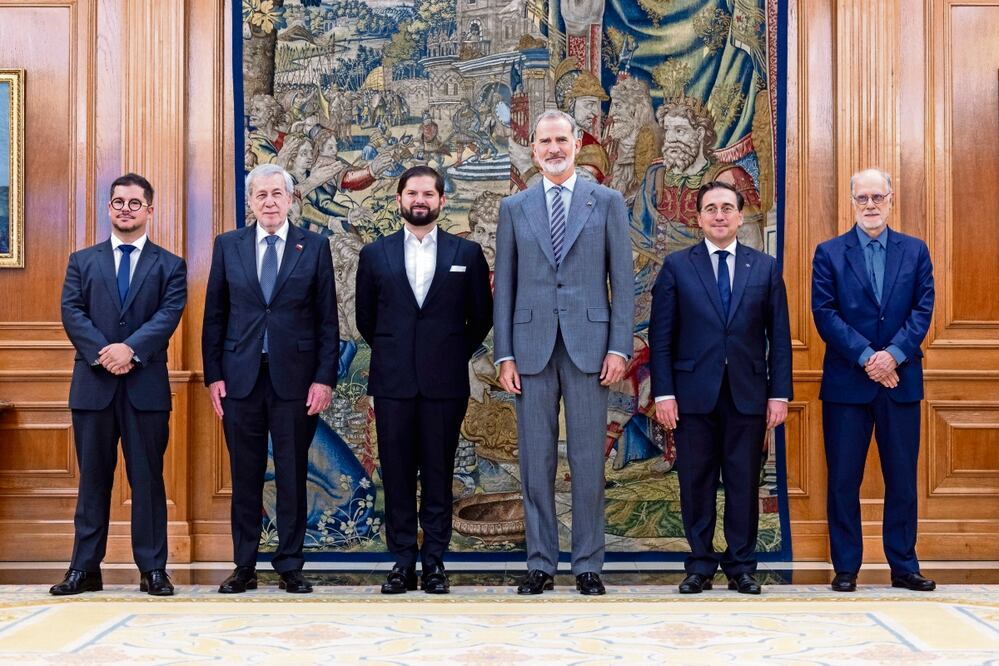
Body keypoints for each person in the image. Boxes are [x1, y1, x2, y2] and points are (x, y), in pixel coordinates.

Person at [493, 110, 634, 596]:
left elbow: (623, 282)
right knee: (536, 462)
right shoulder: (515, 208)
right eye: (545, 141)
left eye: (561, 140)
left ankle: (588, 564)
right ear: (534, 150)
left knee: (588, 460)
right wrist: (504, 355)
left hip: (590, 349)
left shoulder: (607, 202)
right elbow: (504, 287)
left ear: (576, 144)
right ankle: (540, 564)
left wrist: (618, 347)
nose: (553, 149)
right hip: (530, 349)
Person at [649, 180, 792, 595]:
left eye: (727, 207)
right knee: (696, 483)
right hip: (692, 396)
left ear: (740, 216)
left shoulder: (764, 267)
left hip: (748, 395)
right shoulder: (677, 266)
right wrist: (664, 393)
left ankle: (741, 566)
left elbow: (779, 337)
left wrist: (779, 394)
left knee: (743, 483)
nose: (719, 215)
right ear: (698, 218)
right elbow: (661, 337)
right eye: (710, 208)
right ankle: (699, 565)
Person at [202, 163, 339, 594]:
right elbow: (214, 316)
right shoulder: (228, 246)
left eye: (277, 194)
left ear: (290, 199)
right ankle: (244, 565)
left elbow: (327, 320)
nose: (269, 202)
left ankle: (290, 565)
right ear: (250, 202)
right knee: (244, 475)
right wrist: (213, 376)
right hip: (239, 380)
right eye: (261, 195)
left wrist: (324, 379)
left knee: (292, 474)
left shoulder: (313, 246)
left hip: (295, 382)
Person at [355, 166, 492, 594]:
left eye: (428, 194)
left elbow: (481, 318)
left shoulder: (466, 253)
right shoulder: (374, 254)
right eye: (412, 193)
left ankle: (434, 562)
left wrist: (448, 352)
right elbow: (365, 319)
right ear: (399, 199)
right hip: (392, 383)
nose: (420, 200)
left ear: (441, 201)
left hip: (444, 384)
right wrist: (397, 351)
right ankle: (401, 563)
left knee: (438, 473)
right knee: (396, 475)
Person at [53, 173, 187, 596]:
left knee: (147, 480)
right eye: (118, 202)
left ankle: (153, 570)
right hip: (93, 387)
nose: (125, 209)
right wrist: (104, 353)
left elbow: (168, 315)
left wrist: (129, 349)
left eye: (134, 203)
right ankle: (84, 569)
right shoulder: (82, 261)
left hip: (145, 389)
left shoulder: (170, 265)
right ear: (109, 208)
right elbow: (72, 312)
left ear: (149, 210)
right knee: (93, 479)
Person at [811, 168, 936, 593]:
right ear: (852, 202)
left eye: (877, 197)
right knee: (843, 480)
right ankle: (846, 567)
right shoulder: (829, 253)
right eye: (862, 198)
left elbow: (923, 309)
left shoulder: (915, 251)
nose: (870, 205)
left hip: (901, 382)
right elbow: (825, 314)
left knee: (902, 479)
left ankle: (904, 565)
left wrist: (893, 356)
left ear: (890, 200)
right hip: (847, 384)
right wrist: (868, 358)